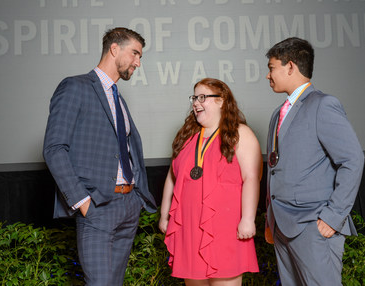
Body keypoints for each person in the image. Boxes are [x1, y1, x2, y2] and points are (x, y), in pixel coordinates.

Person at [43, 27, 157, 285]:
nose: (138, 62)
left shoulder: (118, 98)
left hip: (128, 206)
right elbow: (54, 148)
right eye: (135, 54)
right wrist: (82, 201)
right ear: (114, 49)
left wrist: (137, 198)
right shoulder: (75, 87)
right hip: (98, 206)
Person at [264, 37, 365, 286]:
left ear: (290, 66)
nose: (268, 75)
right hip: (282, 226)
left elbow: (352, 160)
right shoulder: (279, 112)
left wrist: (333, 217)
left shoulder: (323, 105)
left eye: (271, 67)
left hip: (313, 226)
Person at [159, 78, 261, 286]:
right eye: (194, 97)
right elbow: (172, 178)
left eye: (203, 97)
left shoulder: (240, 134)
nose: (196, 103)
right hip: (190, 227)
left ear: (222, 101)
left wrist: (248, 218)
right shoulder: (188, 137)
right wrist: (164, 215)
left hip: (227, 227)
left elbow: (252, 177)